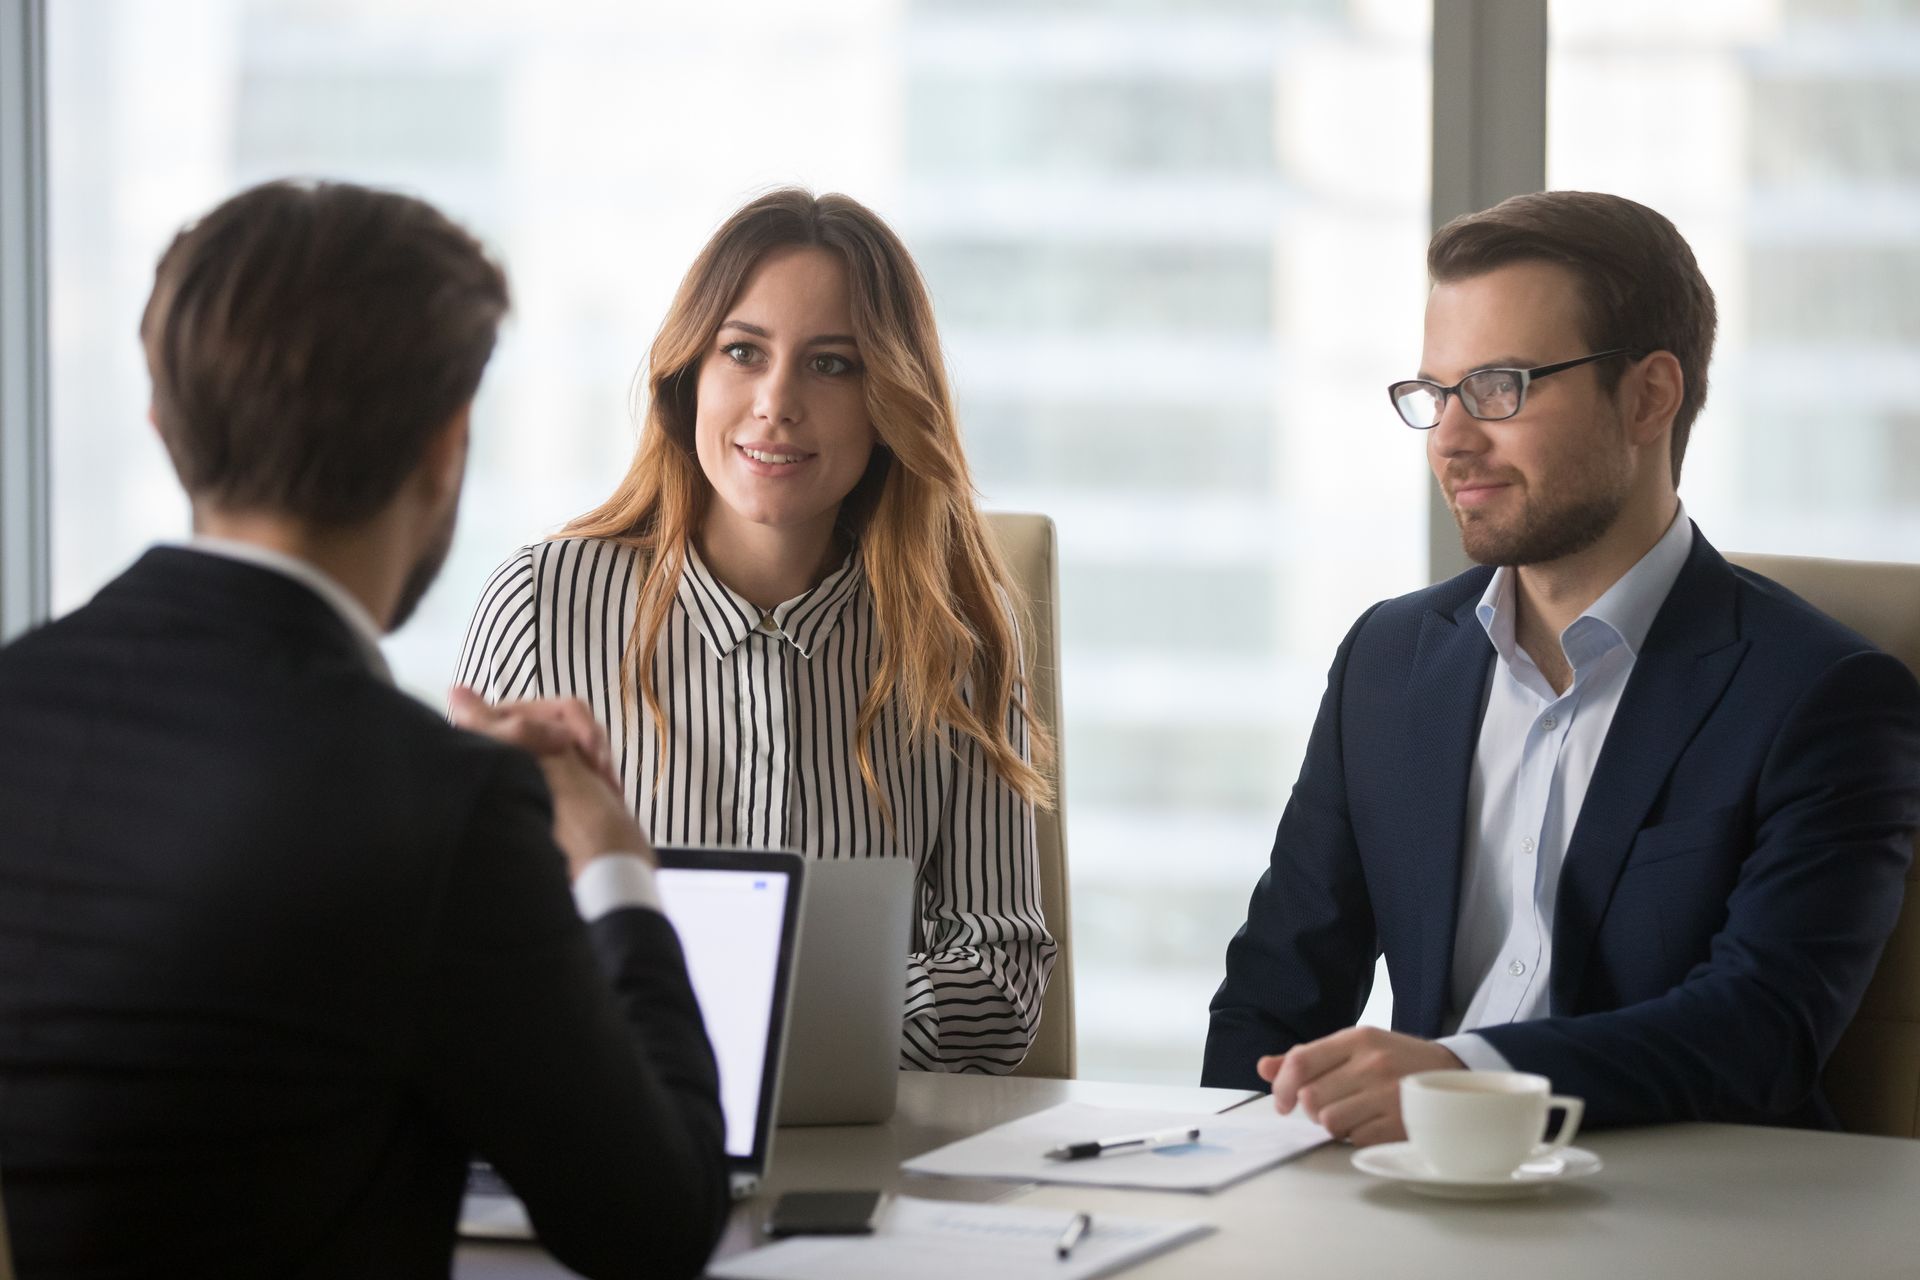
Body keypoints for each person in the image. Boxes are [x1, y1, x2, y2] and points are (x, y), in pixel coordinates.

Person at [0, 180, 729, 1278]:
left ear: (166, 427)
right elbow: (658, 1220)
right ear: (446, 447)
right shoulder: (438, 809)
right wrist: (614, 863)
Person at [1203, 190, 1920, 1142]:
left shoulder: (1822, 698)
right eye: (1437, 396)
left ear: (1649, 396)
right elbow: (1275, 994)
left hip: (1685, 1213)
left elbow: (1762, 1028)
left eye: (1501, 387)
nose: (1453, 440)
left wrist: (1458, 1079)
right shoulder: (1387, 661)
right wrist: (1219, 1172)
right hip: (1415, 1209)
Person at [456, 189, 1056, 1074]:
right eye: (743, 352)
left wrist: (759, 1023)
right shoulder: (540, 605)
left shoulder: (958, 634)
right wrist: (793, 1009)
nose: (776, 403)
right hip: (616, 1127)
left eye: (833, 365)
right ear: (688, 374)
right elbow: (466, 943)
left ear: (889, 398)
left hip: (870, 1159)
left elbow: (1000, 987)